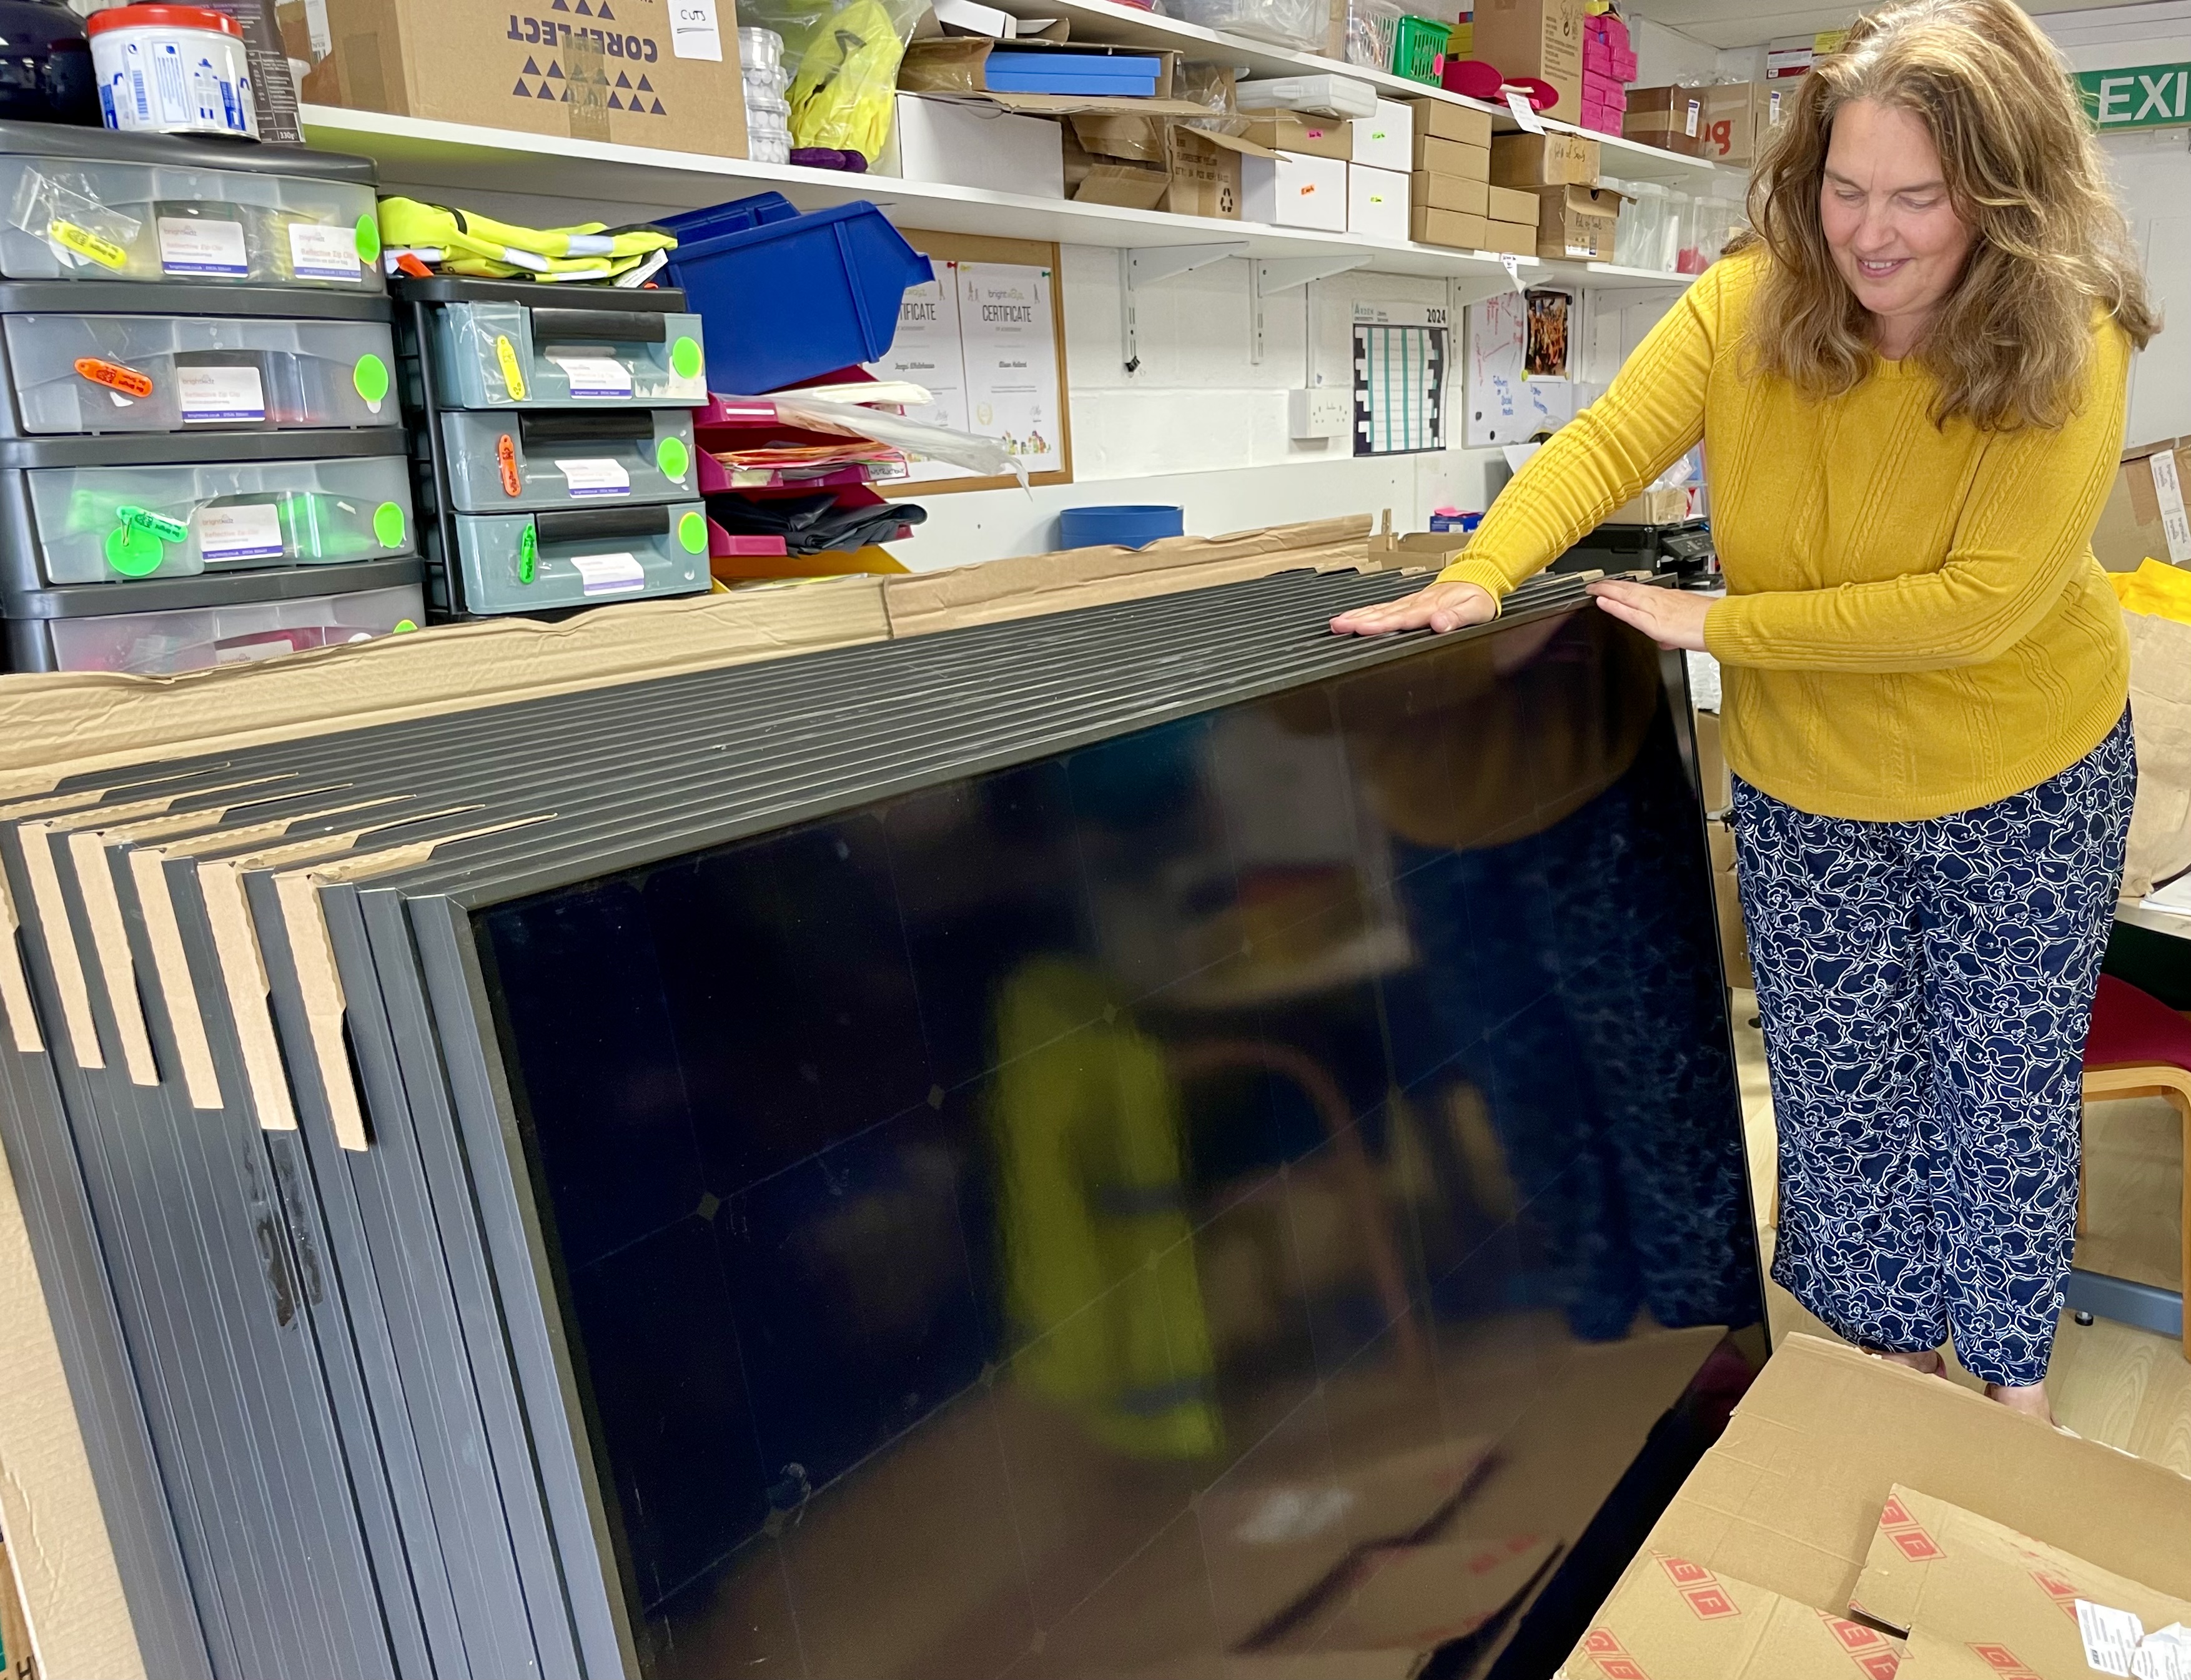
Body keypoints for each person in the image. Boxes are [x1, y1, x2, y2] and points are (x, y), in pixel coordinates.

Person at [1331, 0, 2156, 1422]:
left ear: (2003, 195)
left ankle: (2012, 1390)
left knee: (2001, 1092)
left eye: (1917, 196)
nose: (1869, 233)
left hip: (2024, 768)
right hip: (1809, 779)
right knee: (1841, 1095)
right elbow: (1604, 442)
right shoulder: (1746, 302)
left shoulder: (2069, 337)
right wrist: (1478, 574)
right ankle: (1895, 1370)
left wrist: (1719, 626)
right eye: (1844, 188)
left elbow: (1980, 607)